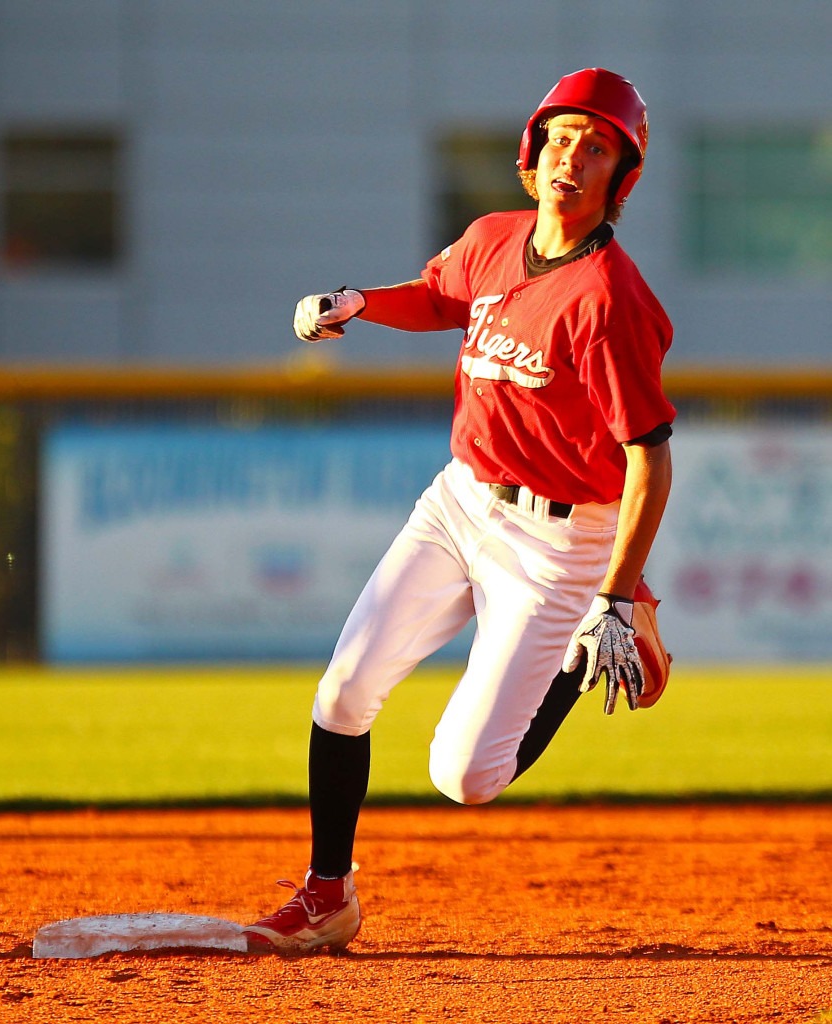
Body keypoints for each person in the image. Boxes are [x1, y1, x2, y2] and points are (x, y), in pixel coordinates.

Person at [243, 68, 675, 956]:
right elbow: (441, 297)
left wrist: (617, 594)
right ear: (532, 151)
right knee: (344, 691)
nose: (573, 156)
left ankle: (599, 639)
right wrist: (363, 303)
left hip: (563, 542)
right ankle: (329, 894)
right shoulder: (492, 238)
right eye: (562, 137)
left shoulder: (609, 301)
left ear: (619, 178)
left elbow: (650, 459)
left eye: (597, 147)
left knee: (467, 777)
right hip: (461, 500)